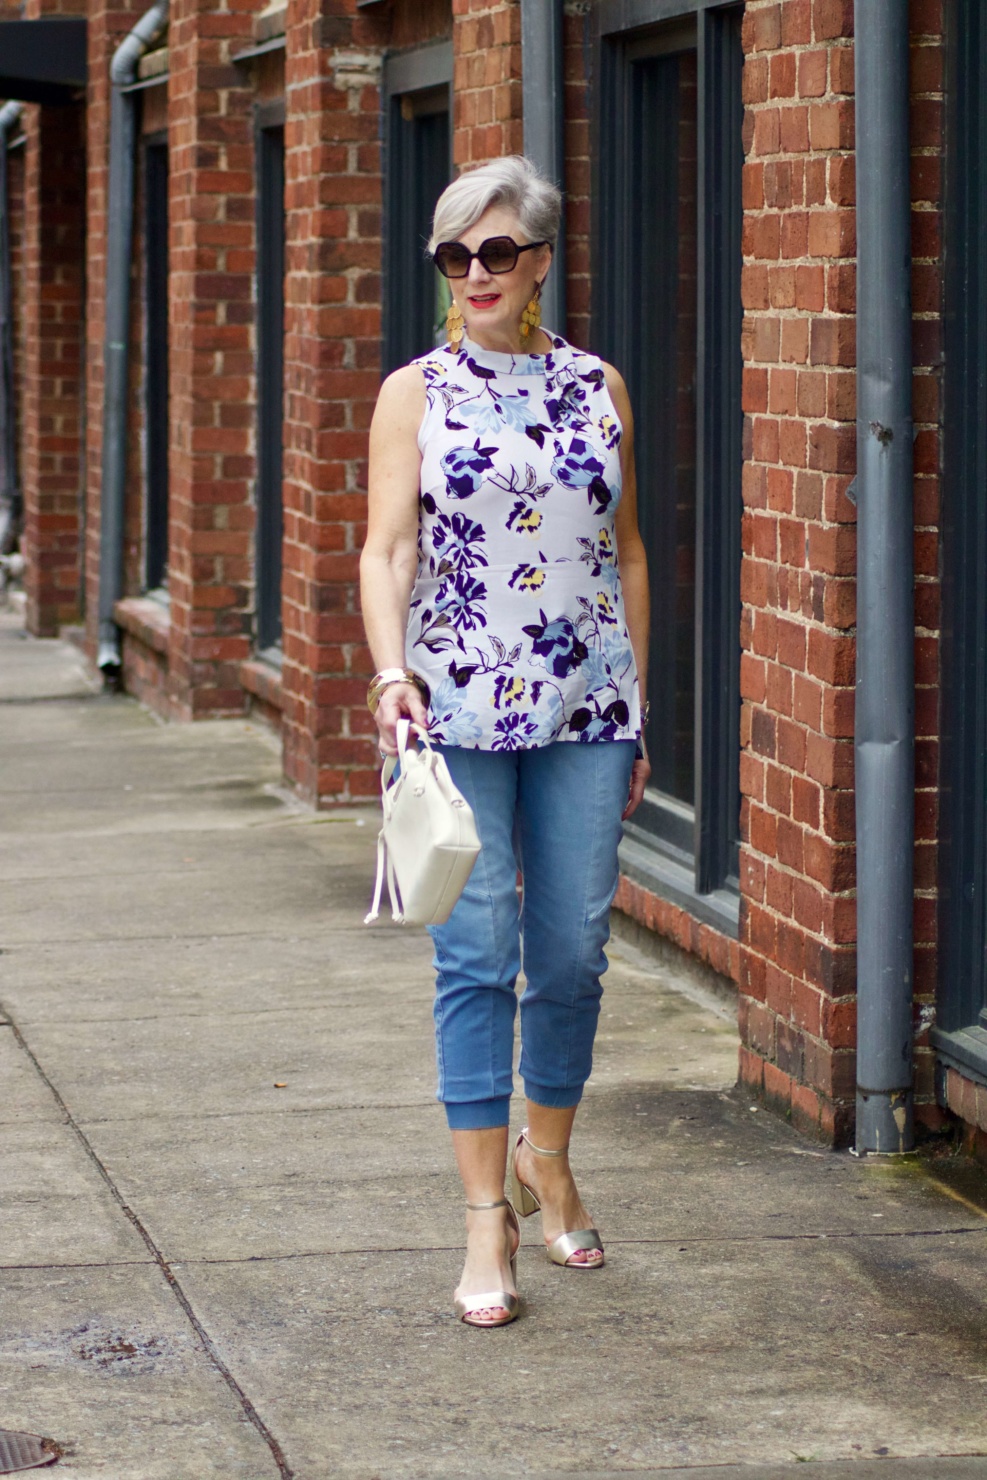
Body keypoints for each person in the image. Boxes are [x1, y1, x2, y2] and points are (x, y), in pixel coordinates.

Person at [360, 155, 650, 1328]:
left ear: (538, 260)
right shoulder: (415, 392)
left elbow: (625, 550)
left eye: (494, 252)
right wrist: (390, 674)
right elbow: (384, 551)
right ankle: (488, 1216)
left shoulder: (598, 387)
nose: (473, 275)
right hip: (454, 709)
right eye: (452, 256)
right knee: (476, 956)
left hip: (586, 703)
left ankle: (550, 1150)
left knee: (574, 950)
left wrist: (640, 703)